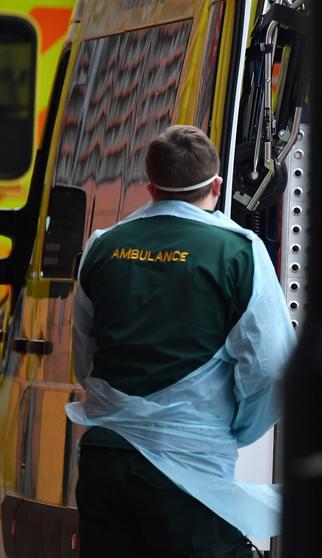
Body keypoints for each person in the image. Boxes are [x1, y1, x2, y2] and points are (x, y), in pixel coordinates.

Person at [66, 125, 296, 557]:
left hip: (104, 457)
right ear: (217, 184)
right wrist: (236, 431)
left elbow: (86, 359)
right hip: (185, 471)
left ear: (150, 187)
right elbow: (271, 367)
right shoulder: (239, 252)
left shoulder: (102, 247)